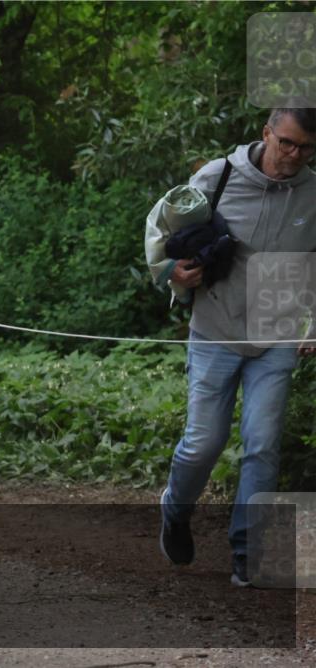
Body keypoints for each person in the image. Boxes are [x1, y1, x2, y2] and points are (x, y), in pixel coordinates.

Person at [155, 107, 316, 587]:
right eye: (286, 142)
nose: (293, 154)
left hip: (277, 336)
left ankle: (248, 555)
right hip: (215, 330)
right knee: (203, 444)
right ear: (267, 133)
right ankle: (175, 509)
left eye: (305, 147)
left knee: (263, 446)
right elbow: (162, 238)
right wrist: (172, 275)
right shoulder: (217, 176)